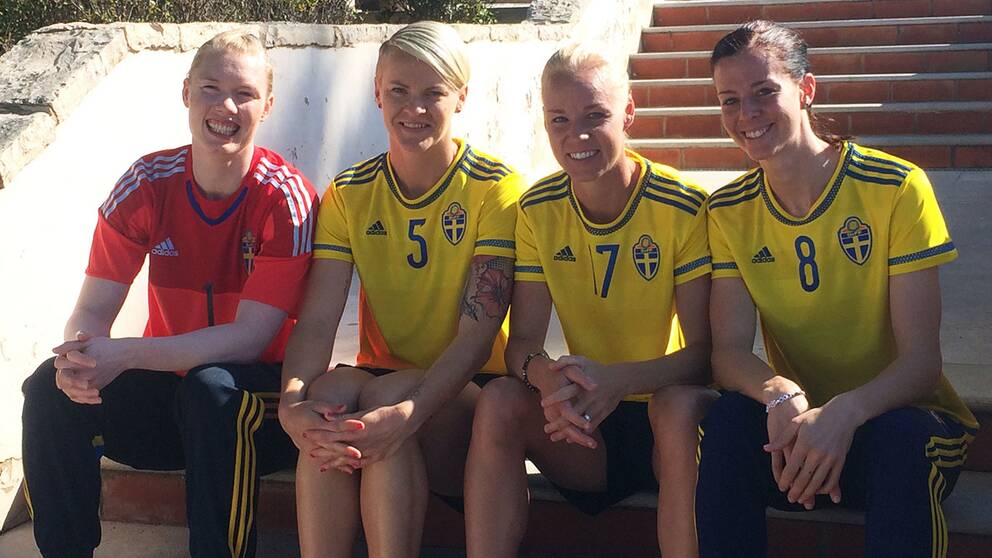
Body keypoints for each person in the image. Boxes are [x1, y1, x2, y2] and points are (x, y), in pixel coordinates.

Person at [19, 30, 316, 558]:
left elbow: (250, 340)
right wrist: (81, 358)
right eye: (210, 88)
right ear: (186, 93)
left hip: (262, 410)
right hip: (172, 401)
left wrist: (126, 353)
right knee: (49, 387)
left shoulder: (286, 199)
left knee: (212, 389)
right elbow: (92, 309)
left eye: (244, 94)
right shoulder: (146, 183)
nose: (226, 107)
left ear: (268, 105)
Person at [696, 20, 979, 558]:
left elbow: (921, 364)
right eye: (729, 100)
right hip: (800, 433)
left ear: (806, 89)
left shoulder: (895, 187)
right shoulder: (727, 209)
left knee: (902, 443)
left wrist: (844, 414)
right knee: (728, 423)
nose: (746, 114)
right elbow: (728, 353)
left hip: (900, 422)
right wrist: (781, 394)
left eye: (763, 92)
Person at [277, 21, 525, 558]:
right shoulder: (349, 192)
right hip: (383, 379)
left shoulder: (495, 188)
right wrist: (291, 405)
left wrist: (408, 413)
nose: (414, 108)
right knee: (327, 403)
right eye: (398, 91)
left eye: (433, 92)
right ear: (376, 92)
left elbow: (477, 336)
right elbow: (317, 320)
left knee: (385, 400)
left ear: (461, 97)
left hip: (469, 392)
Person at [464, 42, 715, 558]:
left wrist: (617, 381)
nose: (576, 136)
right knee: (500, 400)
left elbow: (703, 357)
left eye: (595, 116)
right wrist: (547, 378)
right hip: (585, 426)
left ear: (628, 113)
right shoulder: (537, 208)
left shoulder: (684, 206)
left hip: (661, 422)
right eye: (559, 119)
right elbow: (522, 344)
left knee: (676, 410)